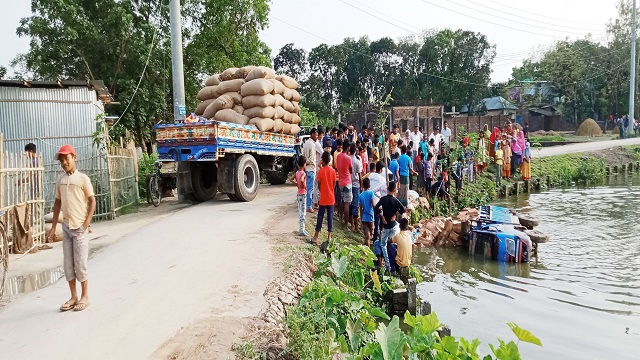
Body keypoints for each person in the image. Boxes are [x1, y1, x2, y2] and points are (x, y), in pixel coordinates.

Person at [47, 144, 96, 312]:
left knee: (80, 263)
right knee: (68, 264)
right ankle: (73, 296)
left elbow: (92, 201)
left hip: (79, 228)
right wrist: (53, 228)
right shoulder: (61, 180)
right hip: (66, 227)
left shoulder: (83, 179)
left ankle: (85, 296)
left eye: (67, 159)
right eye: (61, 160)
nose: (64, 162)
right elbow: (57, 203)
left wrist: (86, 223)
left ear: (74, 158)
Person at [375, 181, 405, 272]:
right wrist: (395, 214)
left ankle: (387, 265)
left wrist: (382, 216)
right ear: (395, 190)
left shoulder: (383, 199)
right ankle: (395, 264)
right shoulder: (395, 200)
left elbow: (376, 207)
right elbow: (402, 209)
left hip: (385, 226)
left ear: (388, 189)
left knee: (383, 245)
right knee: (392, 245)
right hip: (393, 226)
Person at [311, 151, 336, 250]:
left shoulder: (321, 172)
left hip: (323, 198)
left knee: (320, 217)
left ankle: (316, 236)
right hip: (331, 198)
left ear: (322, 160)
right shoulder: (333, 171)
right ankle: (329, 236)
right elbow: (334, 185)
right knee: (330, 217)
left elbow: (320, 185)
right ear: (329, 160)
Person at [290, 156, 308, 236]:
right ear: (304, 164)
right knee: (303, 213)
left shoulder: (297, 172)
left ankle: (302, 229)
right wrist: (304, 186)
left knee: (300, 211)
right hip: (303, 194)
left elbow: (291, 179)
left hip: (298, 194)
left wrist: (297, 184)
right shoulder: (303, 173)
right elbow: (302, 180)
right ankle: (301, 230)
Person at [337, 141, 354, 225]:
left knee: (342, 200)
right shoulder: (348, 158)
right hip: (347, 182)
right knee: (347, 203)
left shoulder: (338, 156)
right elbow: (351, 170)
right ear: (348, 148)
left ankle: (340, 217)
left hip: (340, 182)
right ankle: (346, 224)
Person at [392, 218, 413, 283]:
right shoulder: (409, 236)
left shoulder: (397, 236)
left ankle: (392, 269)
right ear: (407, 227)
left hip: (400, 263)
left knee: (390, 247)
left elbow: (388, 242)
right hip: (408, 262)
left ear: (399, 226)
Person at [302, 128, 318, 213]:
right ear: (312, 134)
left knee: (307, 188)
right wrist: (309, 163)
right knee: (310, 189)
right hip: (311, 169)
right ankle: (308, 206)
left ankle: (307, 205)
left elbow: (303, 156)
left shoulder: (305, 143)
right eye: (315, 135)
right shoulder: (312, 144)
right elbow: (311, 159)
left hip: (306, 169)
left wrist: (304, 164)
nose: (316, 136)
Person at [358, 177, 376, 247]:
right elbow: (373, 204)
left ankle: (366, 248)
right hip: (371, 217)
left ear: (362, 185)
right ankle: (367, 249)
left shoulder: (360, 195)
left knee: (367, 235)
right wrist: (380, 207)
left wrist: (360, 218)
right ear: (369, 185)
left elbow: (360, 208)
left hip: (364, 218)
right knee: (370, 234)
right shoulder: (371, 193)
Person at [349, 143, 363, 232]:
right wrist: (361, 186)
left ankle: (351, 224)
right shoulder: (357, 161)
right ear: (356, 151)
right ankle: (355, 226)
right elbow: (360, 175)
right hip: (356, 184)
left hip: (348, 183)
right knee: (355, 205)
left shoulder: (347, 159)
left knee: (349, 203)